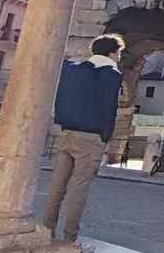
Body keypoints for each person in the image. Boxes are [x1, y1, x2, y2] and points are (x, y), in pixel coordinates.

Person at [43, 34, 124, 243]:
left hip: (67, 132)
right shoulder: (111, 74)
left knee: (56, 186)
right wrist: (105, 137)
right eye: (119, 52)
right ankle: (70, 239)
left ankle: (46, 231)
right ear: (113, 52)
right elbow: (109, 107)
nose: (119, 56)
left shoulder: (74, 69)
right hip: (91, 138)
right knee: (78, 190)